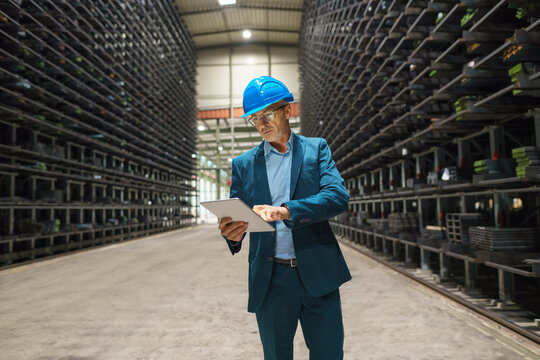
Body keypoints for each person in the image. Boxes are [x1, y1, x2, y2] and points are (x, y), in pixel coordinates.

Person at [218, 76, 351, 360]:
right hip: (272, 279)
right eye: (255, 118)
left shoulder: (316, 150)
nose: (262, 123)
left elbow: (337, 196)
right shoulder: (243, 165)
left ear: (287, 110)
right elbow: (236, 215)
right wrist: (232, 234)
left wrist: (287, 211)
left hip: (318, 274)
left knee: (329, 354)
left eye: (268, 114)